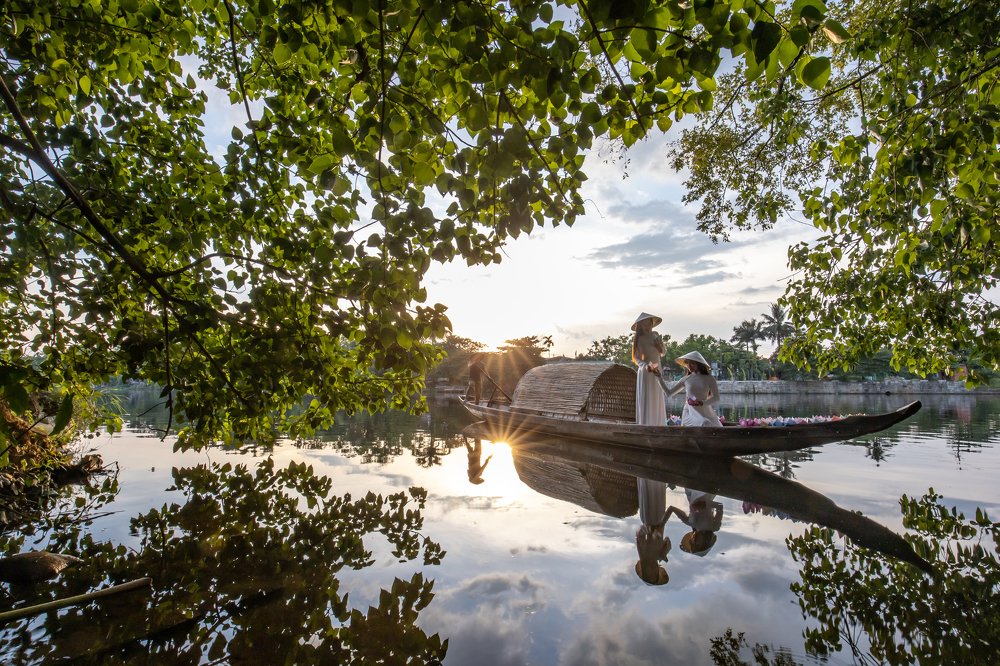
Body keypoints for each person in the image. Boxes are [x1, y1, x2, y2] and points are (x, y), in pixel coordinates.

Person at [662, 350, 722, 427]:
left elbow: (716, 398)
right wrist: (659, 378)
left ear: (699, 364)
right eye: (687, 363)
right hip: (690, 412)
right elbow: (669, 393)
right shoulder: (686, 379)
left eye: (692, 363)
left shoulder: (709, 378)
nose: (689, 366)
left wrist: (702, 403)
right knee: (704, 423)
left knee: (711, 425)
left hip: (706, 411)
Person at [664, 488, 724, 557]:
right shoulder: (715, 527)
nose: (695, 541)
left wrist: (662, 524)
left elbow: (672, 508)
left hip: (691, 489)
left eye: (693, 544)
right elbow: (720, 507)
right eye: (697, 545)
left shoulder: (691, 523)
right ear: (705, 544)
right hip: (709, 490)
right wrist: (706, 504)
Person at [631, 312, 666, 427]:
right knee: (648, 396)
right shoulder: (639, 339)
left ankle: (658, 424)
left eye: (649, 324)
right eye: (644, 325)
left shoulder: (656, 335)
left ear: (652, 324)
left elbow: (663, 353)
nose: (647, 327)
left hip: (657, 368)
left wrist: (660, 347)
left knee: (657, 395)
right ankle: (646, 424)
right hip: (646, 370)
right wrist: (644, 366)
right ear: (640, 326)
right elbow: (636, 357)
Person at [634, 477, 671, 585]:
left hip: (650, 519)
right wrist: (665, 549)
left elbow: (639, 534)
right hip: (657, 519)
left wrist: (648, 530)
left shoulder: (645, 555)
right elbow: (666, 539)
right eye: (654, 573)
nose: (652, 571)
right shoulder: (658, 556)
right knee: (656, 489)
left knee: (649, 489)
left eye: (650, 573)